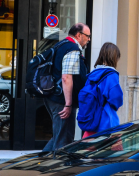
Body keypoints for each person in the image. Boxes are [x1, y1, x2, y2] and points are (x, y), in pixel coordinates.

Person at [43, 23, 90, 152]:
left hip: (53, 96)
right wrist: (68, 104)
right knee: (63, 139)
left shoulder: (61, 45)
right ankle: (56, 168)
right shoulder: (72, 48)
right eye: (87, 36)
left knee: (59, 135)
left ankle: (38, 162)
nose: (89, 39)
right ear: (79, 35)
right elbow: (66, 77)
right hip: (61, 100)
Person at [78, 42, 124, 139]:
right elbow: (116, 97)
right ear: (114, 58)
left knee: (87, 149)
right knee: (114, 151)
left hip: (92, 117)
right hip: (106, 120)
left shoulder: (93, 73)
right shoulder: (111, 75)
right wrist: (117, 105)